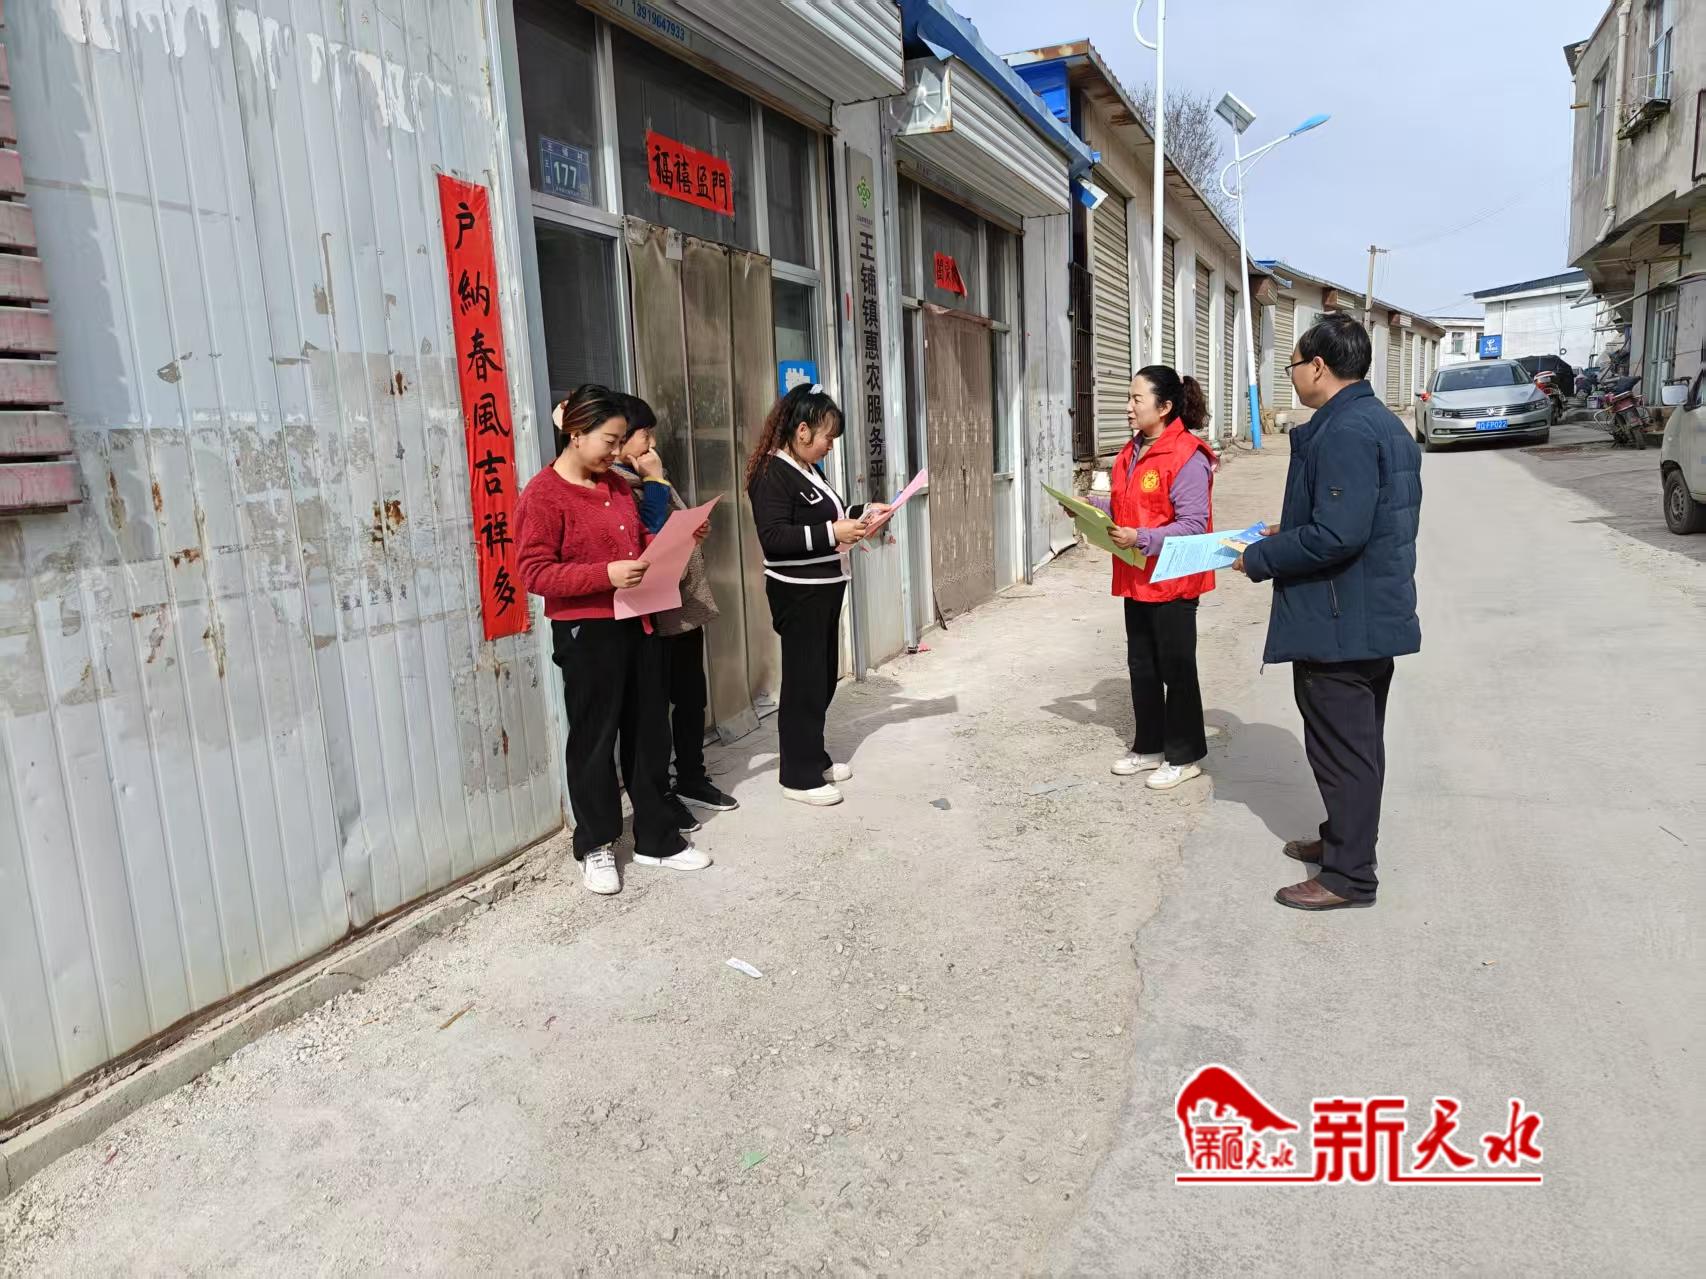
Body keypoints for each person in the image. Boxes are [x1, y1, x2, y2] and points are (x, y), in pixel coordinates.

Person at [1235, 313, 1422, 912]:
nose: (1290, 374)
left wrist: (1260, 557)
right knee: (1356, 746)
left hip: (1341, 619)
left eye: (1293, 363)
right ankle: (1344, 840)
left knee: (1343, 753)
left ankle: (1349, 877)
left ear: (1318, 366)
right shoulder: (1376, 421)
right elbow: (1350, 518)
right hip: (1365, 610)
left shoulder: (1345, 430)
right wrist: (1287, 531)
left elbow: (1338, 535)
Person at [514, 385, 712, 896]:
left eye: (622, 440)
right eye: (610, 440)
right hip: (589, 632)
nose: (618, 451)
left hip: (638, 620)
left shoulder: (617, 486)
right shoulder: (543, 494)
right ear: (575, 433)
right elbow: (534, 572)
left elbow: (639, 544)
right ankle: (596, 842)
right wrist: (604, 574)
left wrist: (676, 538)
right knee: (595, 739)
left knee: (649, 734)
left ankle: (656, 838)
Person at [745, 384, 889, 806]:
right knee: (803, 684)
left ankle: (812, 755)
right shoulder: (771, 473)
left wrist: (864, 515)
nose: (830, 445)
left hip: (825, 587)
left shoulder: (807, 468)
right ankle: (798, 776)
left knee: (822, 678)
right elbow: (774, 538)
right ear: (803, 430)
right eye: (827, 436)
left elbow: (830, 517)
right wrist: (833, 532)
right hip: (798, 593)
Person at [610, 393, 740, 828]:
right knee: (654, 712)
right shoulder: (618, 483)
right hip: (653, 613)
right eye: (643, 434)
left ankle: (691, 776)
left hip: (682, 606)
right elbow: (645, 532)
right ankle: (662, 792)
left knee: (690, 698)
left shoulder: (647, 474)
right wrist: (656, 480)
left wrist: (694, 529)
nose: (651, 442)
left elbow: (671, 522)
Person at [1093, 366, 1219, 791]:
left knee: (1176, 668)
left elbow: (1194, 525)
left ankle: (1184, 755)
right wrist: (1090, 510)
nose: (1128, 407)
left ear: (1164, 407)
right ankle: (1149, 746)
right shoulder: (1131, 451)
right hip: (1137, 577)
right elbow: (1126, 507)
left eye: (1136, 399)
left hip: (1173, 581)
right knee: (1142, 665)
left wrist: (1142, 538)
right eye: (1129, 398)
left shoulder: (1187, 455)